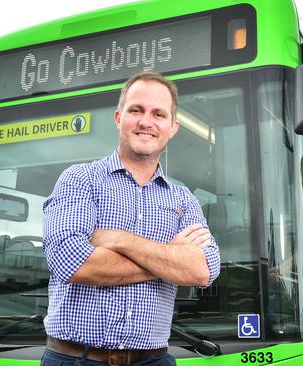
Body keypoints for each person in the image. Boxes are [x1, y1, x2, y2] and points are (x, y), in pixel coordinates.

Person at [42, 71, 221, 366]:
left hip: (154, 361)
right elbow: (70, 261)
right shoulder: (80, 179)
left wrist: (118, 239)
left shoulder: (183, 198)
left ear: (173, 128)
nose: (146, 122)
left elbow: (205, 269)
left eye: (158, 114)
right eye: (136, 110)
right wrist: (170, 259)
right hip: (76, 360)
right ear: (118, 118)